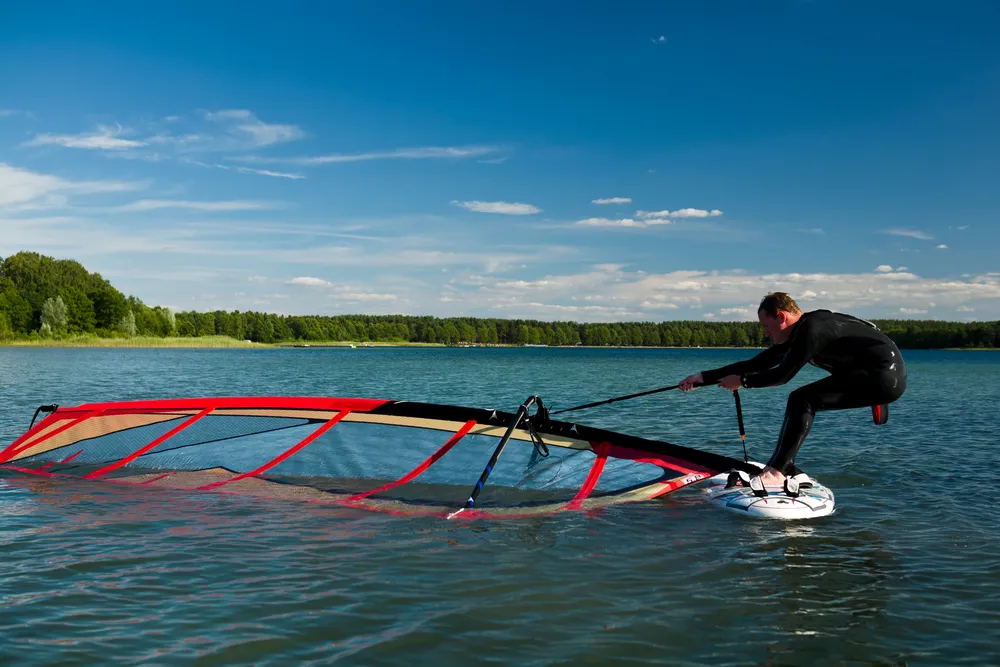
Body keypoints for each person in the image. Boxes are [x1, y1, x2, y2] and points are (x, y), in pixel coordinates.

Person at [679, 292, 906, 486]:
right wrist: (701, 378)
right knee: (802, 399)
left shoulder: (813, 330)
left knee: (803, 399)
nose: (766, 333)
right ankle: (783, 467)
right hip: (872, 375)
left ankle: (777, 471)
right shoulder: (800, 332)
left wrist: (743, 381)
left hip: (883, 376)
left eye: (766, 326)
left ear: (781, 317)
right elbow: (757, 364)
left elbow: (782, 375)